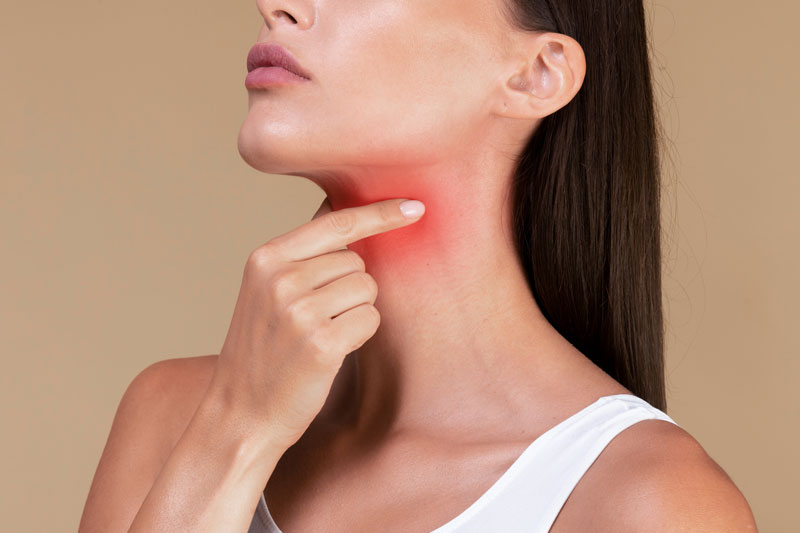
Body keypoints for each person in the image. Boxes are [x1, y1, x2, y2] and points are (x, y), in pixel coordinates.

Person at [79, 0, 758, 531]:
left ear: (536, 73)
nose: (277, 6)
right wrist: (236, 430)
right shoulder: (174, 416)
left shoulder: (647, 502)